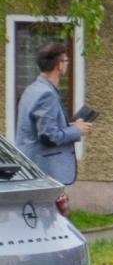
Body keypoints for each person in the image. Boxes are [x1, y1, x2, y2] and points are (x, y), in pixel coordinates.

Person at [16, 42, 92, 187]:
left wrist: (71, 126)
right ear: (59, 64)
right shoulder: (46, 94)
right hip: (45, 170)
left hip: (31, 168)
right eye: (66, 61)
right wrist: (77, 130)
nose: (67, 64)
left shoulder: (31, 89)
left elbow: (39, 129)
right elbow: (48, 136)